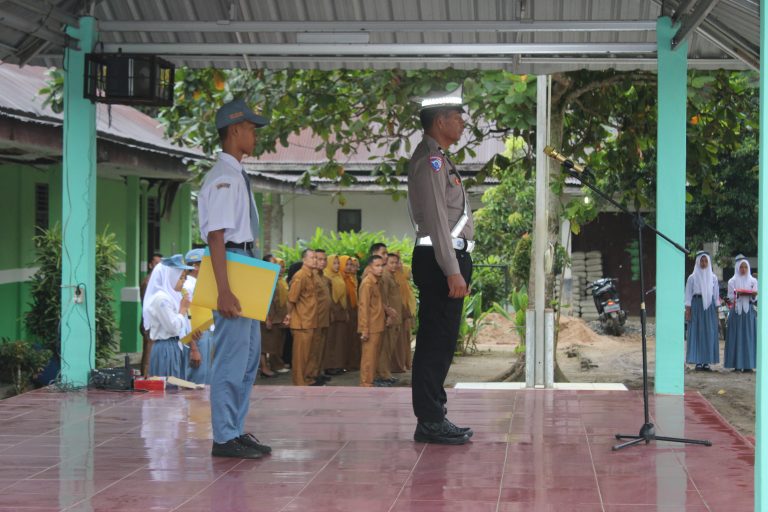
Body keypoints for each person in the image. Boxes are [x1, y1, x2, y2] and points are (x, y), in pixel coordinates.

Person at [197, 98, 272, 459]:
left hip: (245, 263)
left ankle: (235, 429)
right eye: (251, 129)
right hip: (231, 263)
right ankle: (224, 436)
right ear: (234, 131)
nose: (255, 135)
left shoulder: (236, 174)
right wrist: (224, 290)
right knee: (231, 357)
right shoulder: (225, 178)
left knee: (248, 356)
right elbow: (216, 236)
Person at [407, 86, 474, 445]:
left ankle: (434, 414)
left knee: (443, 340)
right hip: (439, 260)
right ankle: (430, 419)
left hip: (446, 257)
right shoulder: (431, 161)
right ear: (440, 120)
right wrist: (452, 268)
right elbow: (436, 217)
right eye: (458, 117)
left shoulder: (441, 159)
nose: (463, 123)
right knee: (436, 341)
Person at [144, 255, 195, 379]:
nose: (183, 282)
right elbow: (172, 327)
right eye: (181, 277)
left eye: (184, 277)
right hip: (166, 348)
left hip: (173, 346)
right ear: (170, 277)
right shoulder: (161, 299)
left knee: (175, 389)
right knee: (169, 389)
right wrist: (183, 309)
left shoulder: (171, 296)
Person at [285, 249, 320, 386]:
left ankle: (307, 378)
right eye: (312, 258)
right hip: (301, 322)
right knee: (300, 356)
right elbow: (292, 299)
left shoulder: (312, 275)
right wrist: (288, 316)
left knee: (309, 354)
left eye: (316, 258)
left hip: (310, 320)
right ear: (304, 260)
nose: (315, 260)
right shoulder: (300, 276)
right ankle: (299, 382)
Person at [685, 251, 721, 371]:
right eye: (702, 260)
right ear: (698, 261)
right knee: (697, 332)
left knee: (708, 332)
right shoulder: (692, 277)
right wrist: (688, 310)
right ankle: (698, 362)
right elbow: (688, 295)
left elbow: (716, 296)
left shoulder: (714, 278)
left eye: (706, 261)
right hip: (696, 305)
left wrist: (717, 312)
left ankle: (706, 362)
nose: (704, 263)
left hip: (709, 307)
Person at [182, 248, 213, 385]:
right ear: (195, 266)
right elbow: (185, 317)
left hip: (205, 334)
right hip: (196, 337)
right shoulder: (188, 286)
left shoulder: (199, 284)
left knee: (205, 377)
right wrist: (193, 347)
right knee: (197, 378)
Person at [724, 255, 757, 373]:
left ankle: (748, 365)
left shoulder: (753, 281)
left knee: (748, 337)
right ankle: (737, 365)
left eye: (745, 267)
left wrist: (752, 295)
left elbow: (755, 298)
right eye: (741, 267)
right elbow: (730, 297)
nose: (743, 269)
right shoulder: (732, 281)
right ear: (737, 268)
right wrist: (738, 294)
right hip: (736, 312)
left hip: (748, 313)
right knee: (736, 337)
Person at [358, 255, 387, 387]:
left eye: (382, 265)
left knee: (374, 355)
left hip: (378, 324)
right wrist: (364, 329)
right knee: (368, 356)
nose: (380, 269)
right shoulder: (367, 283)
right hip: (371, 326)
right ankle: (366, 383)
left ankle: (370, 380)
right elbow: (363, 307)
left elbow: (378, 305)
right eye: (377, 266)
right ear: (370, 267)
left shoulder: (377, 281)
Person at [261, 256, 290, 374]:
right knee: (265, 345)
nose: (280, 269)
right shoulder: (265, 280)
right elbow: (264, 301)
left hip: (278, 317)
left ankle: (276, 365)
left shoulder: (280, 280)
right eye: (275, 264)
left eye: (281, 266)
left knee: (275, 344)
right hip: (269, 318)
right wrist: (267, 318)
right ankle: (264, 368)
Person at [307, 249, 332, 384]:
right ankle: (310, 375)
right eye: (319, 259)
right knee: (313, 349)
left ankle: (317, 372)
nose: (322, 262)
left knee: (321, 348)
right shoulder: (310, 277)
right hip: (314, 318)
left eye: (324, 260)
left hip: (324, 318)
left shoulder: (324, 278)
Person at [322, 254, 349, 375]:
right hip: (332, 312)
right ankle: (329, 366)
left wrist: (345, 311)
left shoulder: (339, 276)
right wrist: (331, 312)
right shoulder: (326, 277)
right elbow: (327, 298)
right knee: (330, 340)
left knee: (339, 340)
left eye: (338, 263)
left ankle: (338, 365)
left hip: (341, 311)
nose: (337, 265)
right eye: (334, 263)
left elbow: (344, 296)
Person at [140, 252, 163, 376]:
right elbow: (147, 305)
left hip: (152, 323)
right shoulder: (148, 282)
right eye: (156, 263)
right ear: (150, 265)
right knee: (148, 354)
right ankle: (145, 379)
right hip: (150, 323)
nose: (159, 266)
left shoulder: (156, 282)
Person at [391, 254, 415, 373]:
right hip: (398, 315)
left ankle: (405, 362)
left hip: (405, 315)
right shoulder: (395, 279)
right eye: (396, 262)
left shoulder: (404, 282)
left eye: (399, 262)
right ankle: (397, 365)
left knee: (405, 340)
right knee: (398, 342)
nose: (399, 265)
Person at [340, 255, 361, 371]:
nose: (350, 267)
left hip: (353, 311)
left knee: (353, 338)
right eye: (347, 264)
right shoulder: (341, 279)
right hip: (345, 312)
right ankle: (345, 363)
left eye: (351, 265)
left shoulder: (353, 279)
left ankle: (352, 363)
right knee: (345, 339)